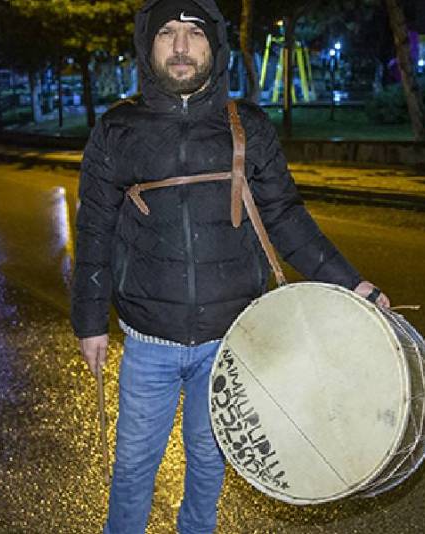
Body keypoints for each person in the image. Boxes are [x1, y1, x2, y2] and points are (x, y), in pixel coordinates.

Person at [70, 1, 390, 532]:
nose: (179, 47)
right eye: (166, 34)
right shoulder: (116, 130)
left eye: (193, 34)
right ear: (146, 47)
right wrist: (88, 321)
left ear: (213, 47)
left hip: (231, 342)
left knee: (209, 464)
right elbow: (95, 229)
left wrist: (350, 282)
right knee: (131, 468)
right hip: (147, 340)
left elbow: (286, 216)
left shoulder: (249, 127)